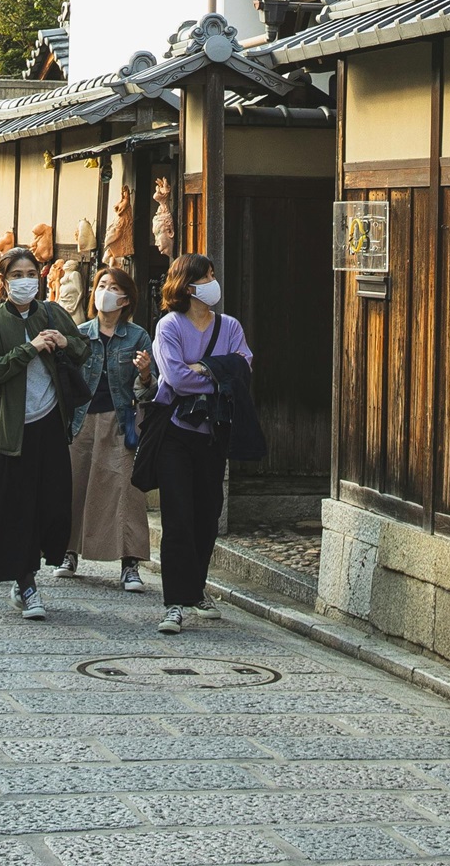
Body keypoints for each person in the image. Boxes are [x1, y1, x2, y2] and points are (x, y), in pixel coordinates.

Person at [0, 247, 89, 620]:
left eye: (30, 273)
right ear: (2, 281)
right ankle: (25, 582)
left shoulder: (52, 312)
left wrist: (64, 342)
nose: (25, 281)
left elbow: (84, 349)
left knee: (54, 505)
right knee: (14, 508)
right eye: (17, 275)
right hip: (9, 427)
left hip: (50, 421)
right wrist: (29, 348)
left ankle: (35, 561)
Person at [151, 253, 253, 634]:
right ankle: (174, 602)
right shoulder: (169, 326)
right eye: (207, 276)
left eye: (213, 274)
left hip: (214, 430)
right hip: (176, 431)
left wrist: (206, 369)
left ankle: (196, 588)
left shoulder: (229, 326)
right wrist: (218, 374)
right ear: (188, 285)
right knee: (178, 516)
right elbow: (175, 378)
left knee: (207, 513)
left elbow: (244, 366)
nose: (213, 281)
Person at [56, 266, 157, 592]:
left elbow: (148, 390)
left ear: (126, 298)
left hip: (121, 420)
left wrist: (144, 375)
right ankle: (67, 552)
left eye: (113, 287)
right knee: (74, 484)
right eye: (101, 285)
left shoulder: (138, 336)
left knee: (128, 490)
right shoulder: (80, 333)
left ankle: (130, 565)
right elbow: (67, 381)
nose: (105, 291)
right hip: (81, 420)